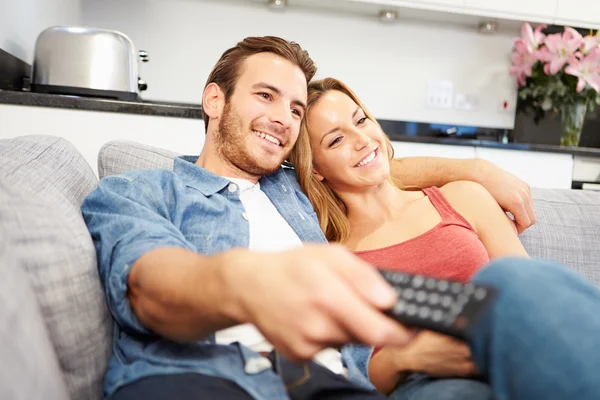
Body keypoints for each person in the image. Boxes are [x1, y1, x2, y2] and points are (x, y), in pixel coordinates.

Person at [80, 36, 600, 400]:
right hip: (205, 378)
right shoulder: (135, 191)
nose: (283, 117)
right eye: (265, 96)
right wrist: (250, 281)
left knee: (517, 284)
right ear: (215, 99)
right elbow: (149, 288)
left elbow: (372, 167)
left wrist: (472, 167)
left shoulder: (298, 191)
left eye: (296, 109)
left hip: (331, 385)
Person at [287, 76, 600, 400]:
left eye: (361, 120)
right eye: (336, 140)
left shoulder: (465, 196)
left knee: (508, 278)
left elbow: (533, 294)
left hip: (512, 345)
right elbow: (351, 373)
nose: (362, 139)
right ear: (316, 169)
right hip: (427, 379)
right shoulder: (337, 256)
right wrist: (406, 358)